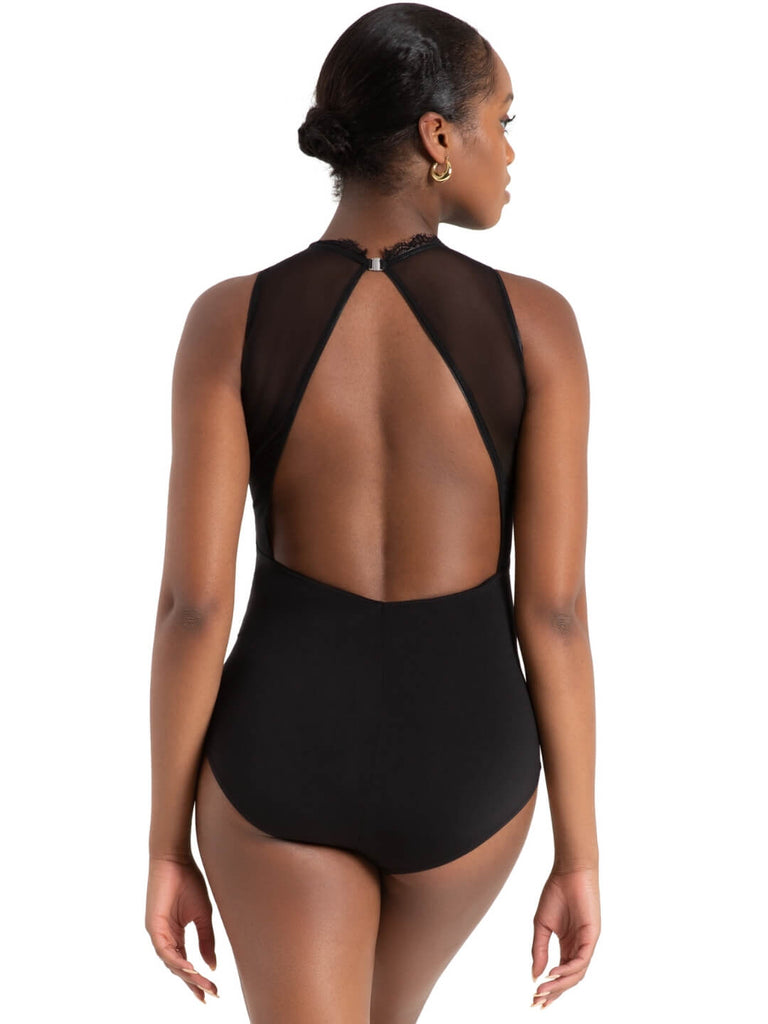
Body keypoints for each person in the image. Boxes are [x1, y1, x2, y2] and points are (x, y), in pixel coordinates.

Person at [144, 3, 600, 1019]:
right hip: (469, 761)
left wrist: (167, 843)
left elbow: (193, 608)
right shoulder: (538, 326)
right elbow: (556, 612)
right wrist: (578, 855)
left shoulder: (231, 319)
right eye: (503, 121)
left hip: (280, 752)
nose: (510, 153)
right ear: (439, 136)